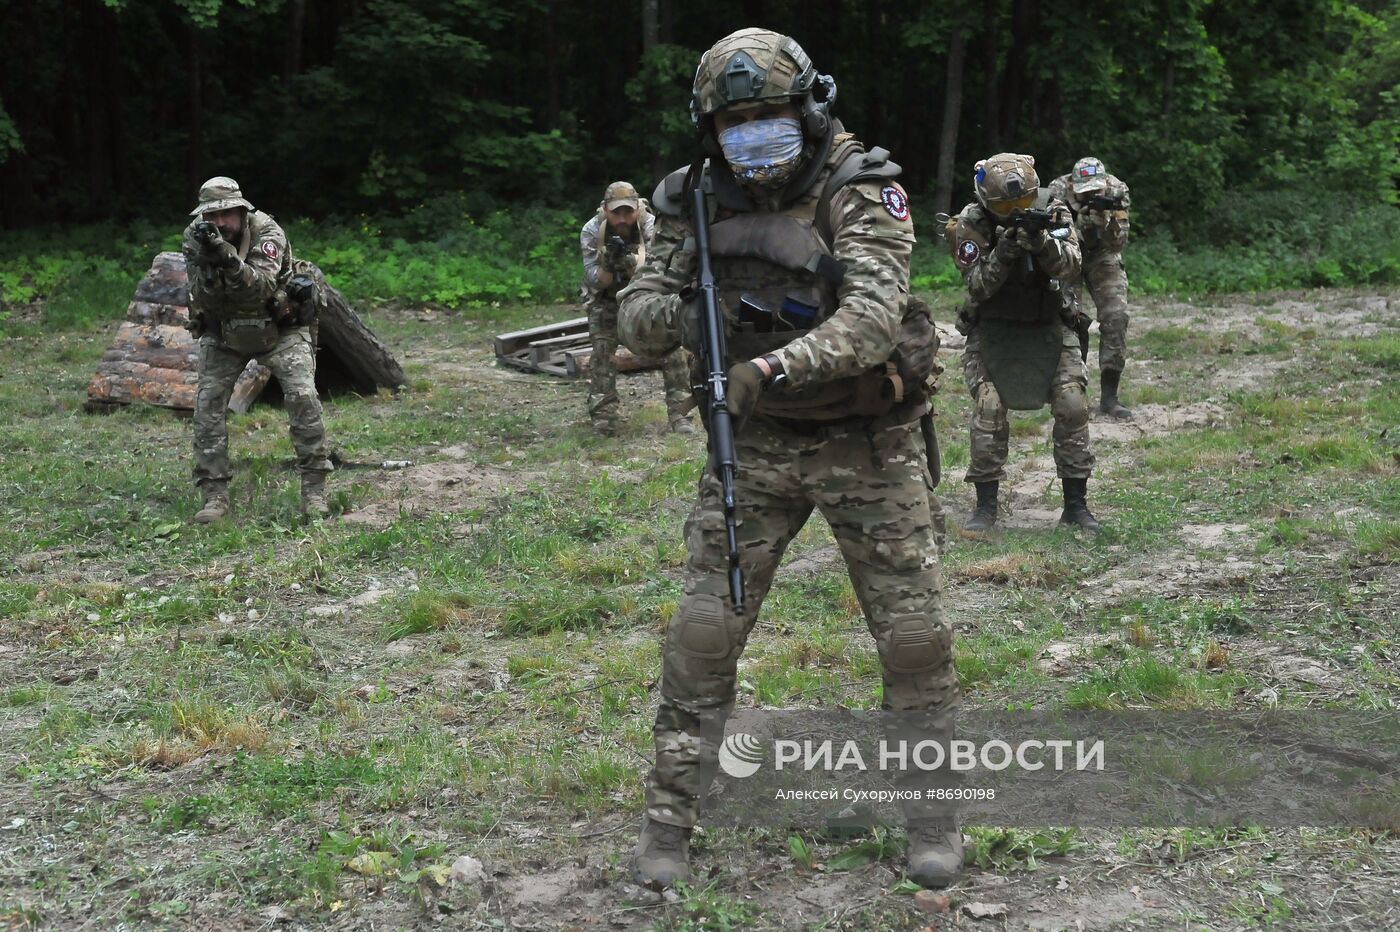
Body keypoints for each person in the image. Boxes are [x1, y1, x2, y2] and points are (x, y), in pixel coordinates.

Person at [618, 28, 958, 890]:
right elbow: (637, 313)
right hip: (754, 448)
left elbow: (875, 318)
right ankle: (669, 822)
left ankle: (932, 816)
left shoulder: (861, 187)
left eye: (769, 116)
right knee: (703, 635)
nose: (753, 137)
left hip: (865, 443)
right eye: (736, 123)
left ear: (807, 108)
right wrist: (696, 316)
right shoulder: (690, 198)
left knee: (913, 639)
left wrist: (770, 363)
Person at [946, 153, 1099, 537]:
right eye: (1005, 207)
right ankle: (985, 506)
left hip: (1049, 322)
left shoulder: (1053, 211)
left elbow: (1071, 266)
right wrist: (1005, 252)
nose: (1015, 211)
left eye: (1022, 203)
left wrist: (1043, 242)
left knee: (1072, 403)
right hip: (993, 328)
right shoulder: (971, 223)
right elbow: (977, 285)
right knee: (989, 408)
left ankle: (1076, 506)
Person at [182, 176, 332, 523]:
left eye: (226, 215)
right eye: (211, 216)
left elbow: (262, 288)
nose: (219, 224)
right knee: (208, 405)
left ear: (240, 210)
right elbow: (200, 296)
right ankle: (214, 496)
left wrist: (229, 260)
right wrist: (210, 259)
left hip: (279, 327)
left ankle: (315, 491)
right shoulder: (195, 236)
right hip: (225, 330)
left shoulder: (267, 232)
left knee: (302, 396)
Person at [580, 181, 694, 436]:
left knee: (673, 348)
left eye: (628, 212)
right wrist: (609, 264)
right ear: (605, 210)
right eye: (616, 212)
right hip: (606, 298)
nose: (622, 218)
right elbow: (594, 279)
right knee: (602, 353)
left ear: (638, 209)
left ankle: (681, 414)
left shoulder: (653, 226)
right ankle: (603, 417)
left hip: (648, 291)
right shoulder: (591, 230)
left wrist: (631, 262)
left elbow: (659, 272)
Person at [1047, 157, 1134, 418]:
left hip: (1102, 255)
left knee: (1116, 315)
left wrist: (1105, 224)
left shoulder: (1116, 191)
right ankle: (1073, 392)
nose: (1092, 195)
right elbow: (1049, 236)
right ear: (1073, 184)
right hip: (1068, 251)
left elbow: (1119, 243)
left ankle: (1110, 397)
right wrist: (1077, 225)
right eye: (1085, 191)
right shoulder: (1057, 191)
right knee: (1071, 318)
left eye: (1095, 190)